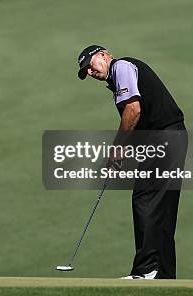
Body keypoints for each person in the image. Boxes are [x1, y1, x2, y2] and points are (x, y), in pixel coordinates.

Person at [76, 44, 187, 280]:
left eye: (90, 65)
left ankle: (146, 270)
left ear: (105, 55)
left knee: (145, 200)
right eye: (85, 71)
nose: (89, 72)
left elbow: (133, 110)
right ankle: (164, 275)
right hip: (170, 139)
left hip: (164, 139)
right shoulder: (118, 77)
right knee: (163, 209)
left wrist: (117, 149)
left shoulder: (121, 66)